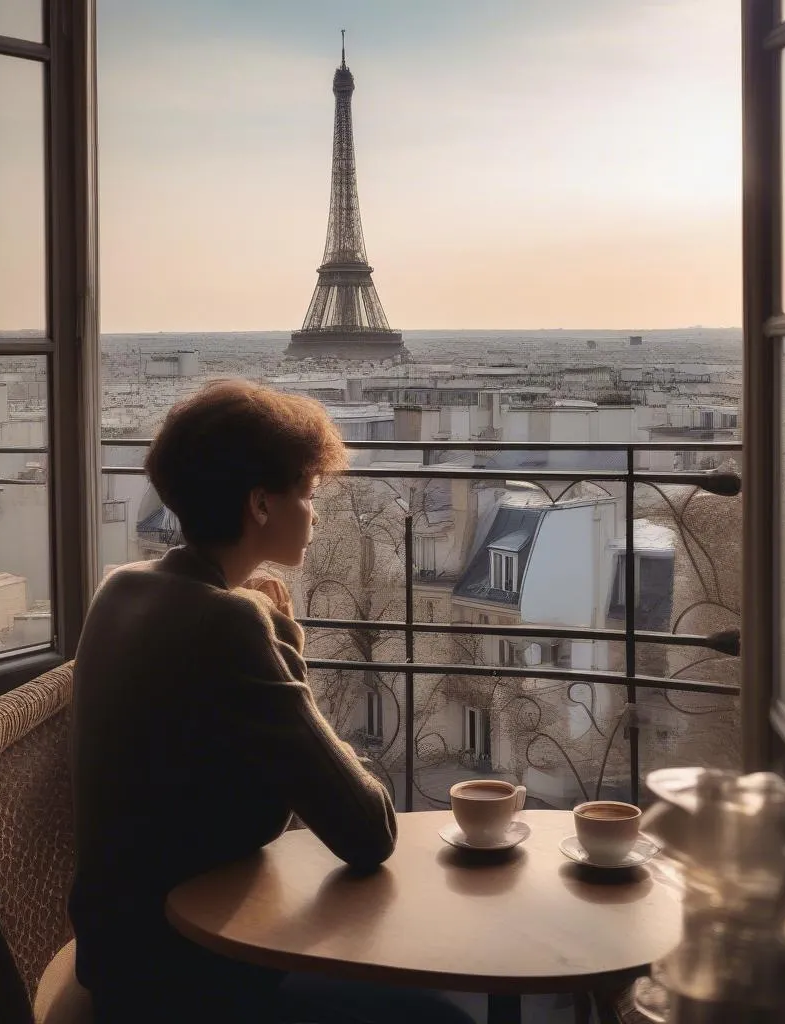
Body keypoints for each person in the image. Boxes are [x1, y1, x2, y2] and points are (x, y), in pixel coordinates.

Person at [69, 380, 474, 1024]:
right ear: (260, 503)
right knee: (442, 1019)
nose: (315, 514)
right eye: (307, 494)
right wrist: (282, 639)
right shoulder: (228, 626)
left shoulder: (121, 588)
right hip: (189, 976)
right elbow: (369, 830)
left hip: (118, 948)